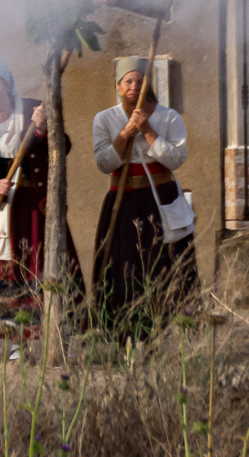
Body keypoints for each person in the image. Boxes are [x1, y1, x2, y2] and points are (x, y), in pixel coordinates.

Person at [0, 59, 82, 338]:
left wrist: (41, 129)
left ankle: (47, 332)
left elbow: (64, 147)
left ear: (7, 83)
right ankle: (4, 334)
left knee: (39, 264)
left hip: (34, 206)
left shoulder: (33, 110)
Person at [91, 57, 197, 336]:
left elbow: (176, 159)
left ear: (149, 84)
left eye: (140, 81)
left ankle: (170, 329)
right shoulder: (104, 119)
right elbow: (104, 164)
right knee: (125, 265)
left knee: (165, 262)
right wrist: (125, 133)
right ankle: (126, 330)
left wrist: (148, 130)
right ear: (118, 85)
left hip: (160, 200)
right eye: (128, 81)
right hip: (122, 202)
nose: (134, 86)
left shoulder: (168, 117)